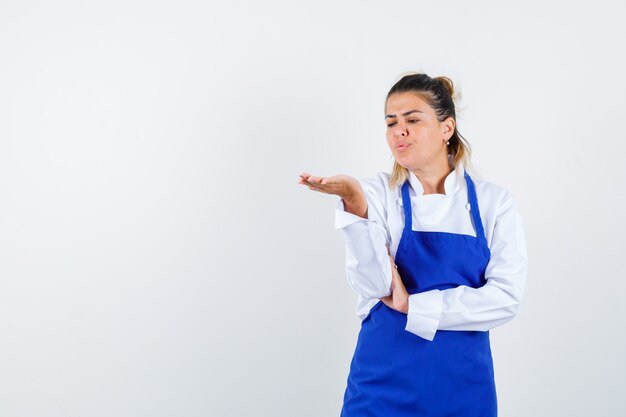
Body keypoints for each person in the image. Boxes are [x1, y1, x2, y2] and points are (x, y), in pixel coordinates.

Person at [297, 72, 528, 416]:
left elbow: (505, 298)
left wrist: (414, 307)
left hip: (463, 390)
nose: (398, 131)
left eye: (412, 120)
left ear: (446, 128)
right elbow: (374, 285)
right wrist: (354, 203)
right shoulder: (376, 193)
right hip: (381, 388)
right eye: (391, 122)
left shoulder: (494, 203)